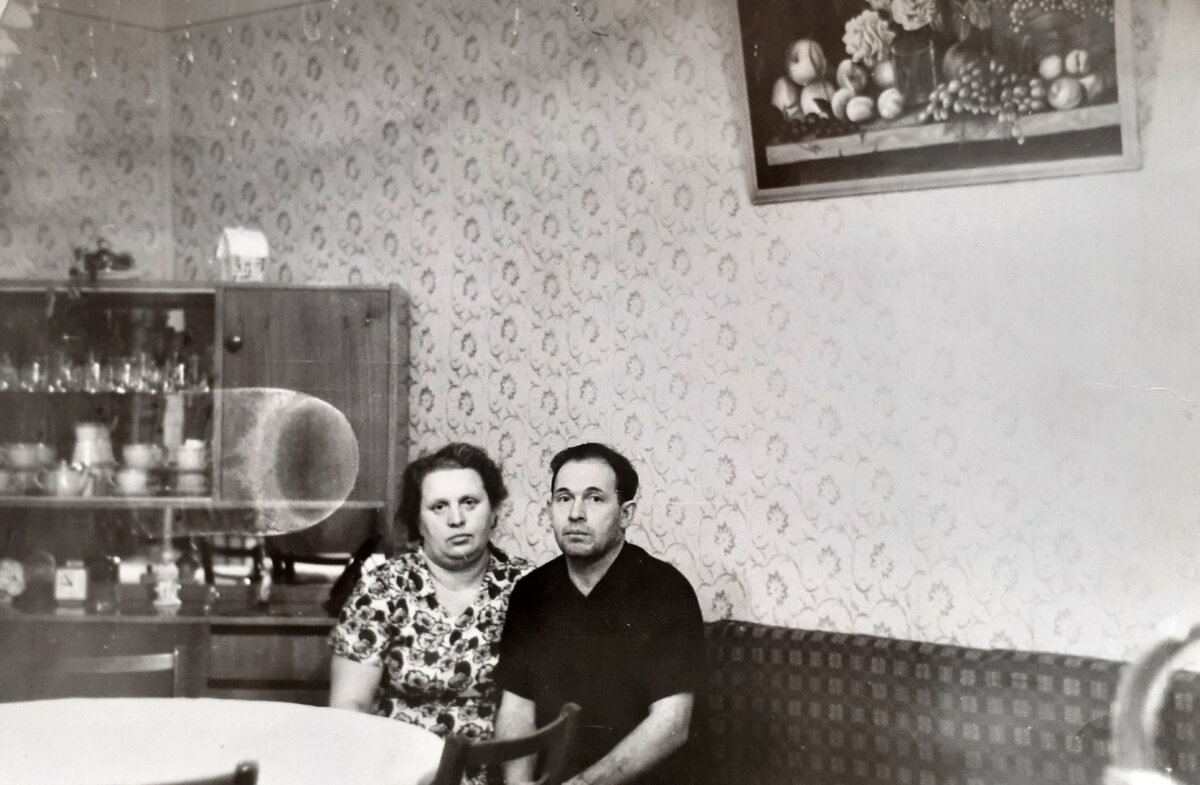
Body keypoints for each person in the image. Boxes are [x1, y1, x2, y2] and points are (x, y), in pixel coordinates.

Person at [493, 443, 705, 785]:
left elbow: (672, 724)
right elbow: (517, 709)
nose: (575, 513)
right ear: (549, 509)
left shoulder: (666, 591)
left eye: (594, 498)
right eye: (564, 498)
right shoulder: (531, 592)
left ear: (626, 514)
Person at [328, 442, 532, 746]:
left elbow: (530, 710)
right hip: (397, 762)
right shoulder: (382, 588)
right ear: (418, 523)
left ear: (492, 512)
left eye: (469, 502)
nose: (456, 519)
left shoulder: (528, 586)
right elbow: (349, 705)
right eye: (439, 507)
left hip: (493, 763)